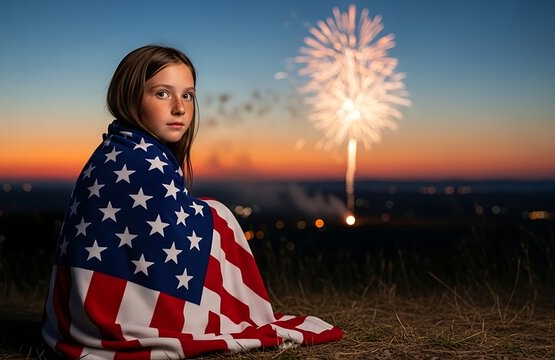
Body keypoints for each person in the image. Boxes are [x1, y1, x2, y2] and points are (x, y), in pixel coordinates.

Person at [41, 45, 343, 359]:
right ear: (130, 96)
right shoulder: (141, 162)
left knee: (210, 210)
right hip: (109, 322)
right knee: (218, 215)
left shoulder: (114, 149)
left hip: (75, 320)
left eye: (187, 95)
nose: (179, 108)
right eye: (161, 94)